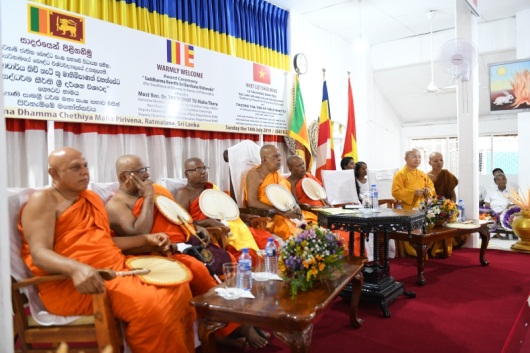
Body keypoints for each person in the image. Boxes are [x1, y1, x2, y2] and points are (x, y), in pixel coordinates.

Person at [18, 147, 196, 352]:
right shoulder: (43, 201)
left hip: (114, 269)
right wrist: (76, 269)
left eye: (85, 165)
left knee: (178, 288)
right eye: (76, 167)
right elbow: (39, 254)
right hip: (76, 282)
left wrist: (146, 238)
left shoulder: (90, 198)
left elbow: (103, 243)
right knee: (150, 303)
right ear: (54, 174)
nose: (85, 171)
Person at [106, 154, 268, 349]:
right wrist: (148, 197)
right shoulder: (117, 205)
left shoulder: (155, 190)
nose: (147, 174)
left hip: (186, 243)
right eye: (140, 172)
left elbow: (178, 216)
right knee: (199, 269)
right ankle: (234, 328)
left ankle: (235, 322)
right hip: (160, 252)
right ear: (125, 177)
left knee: (227, 259)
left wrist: (195, 228)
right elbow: (139, 232)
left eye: (145, 169)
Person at [175, 157, 271, 264]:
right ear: (187, 174)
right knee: (247, 255)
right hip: (214, 234)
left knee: (267, 241)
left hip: (231, 227)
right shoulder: (183, 194)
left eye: (205, 168)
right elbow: (182, 222)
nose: (203, 172)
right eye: (198, 169)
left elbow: (225, 210)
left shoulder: (211, 189)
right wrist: (208, 222)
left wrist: (245, 216)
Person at [244, 145, 317, 240]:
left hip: (288, 212)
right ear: (264, 160)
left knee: (315, 222)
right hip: (270, 216)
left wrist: (296, 207)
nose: (279, 159)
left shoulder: (278, 176)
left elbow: (289, 198)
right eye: (275, 156)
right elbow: (252, 202)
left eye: (279, 156)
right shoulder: (255, 175)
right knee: (294, 232)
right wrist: (282, 213)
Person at [392, 148, 436, 257]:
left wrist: (428, 190)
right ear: (406, 159)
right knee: (412, 228)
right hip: (407, 209)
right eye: (414, 156)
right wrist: (413, 193)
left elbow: (431, 187)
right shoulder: (400, 174)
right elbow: (395, 192)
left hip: (423, 207)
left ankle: (427, 248)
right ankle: (415, 251)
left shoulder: (422, 174)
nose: (417, 159)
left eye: (419, 157)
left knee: (434, 224)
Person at [427, 152, 460, 256]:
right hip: (431, 208)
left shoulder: (447, 175)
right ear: (429, 162)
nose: (439, 163)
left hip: (446, 207)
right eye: (435, 161)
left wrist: (451, 208)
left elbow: (452, 195)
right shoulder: (426, 177)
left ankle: (446, 246)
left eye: (441, 160)